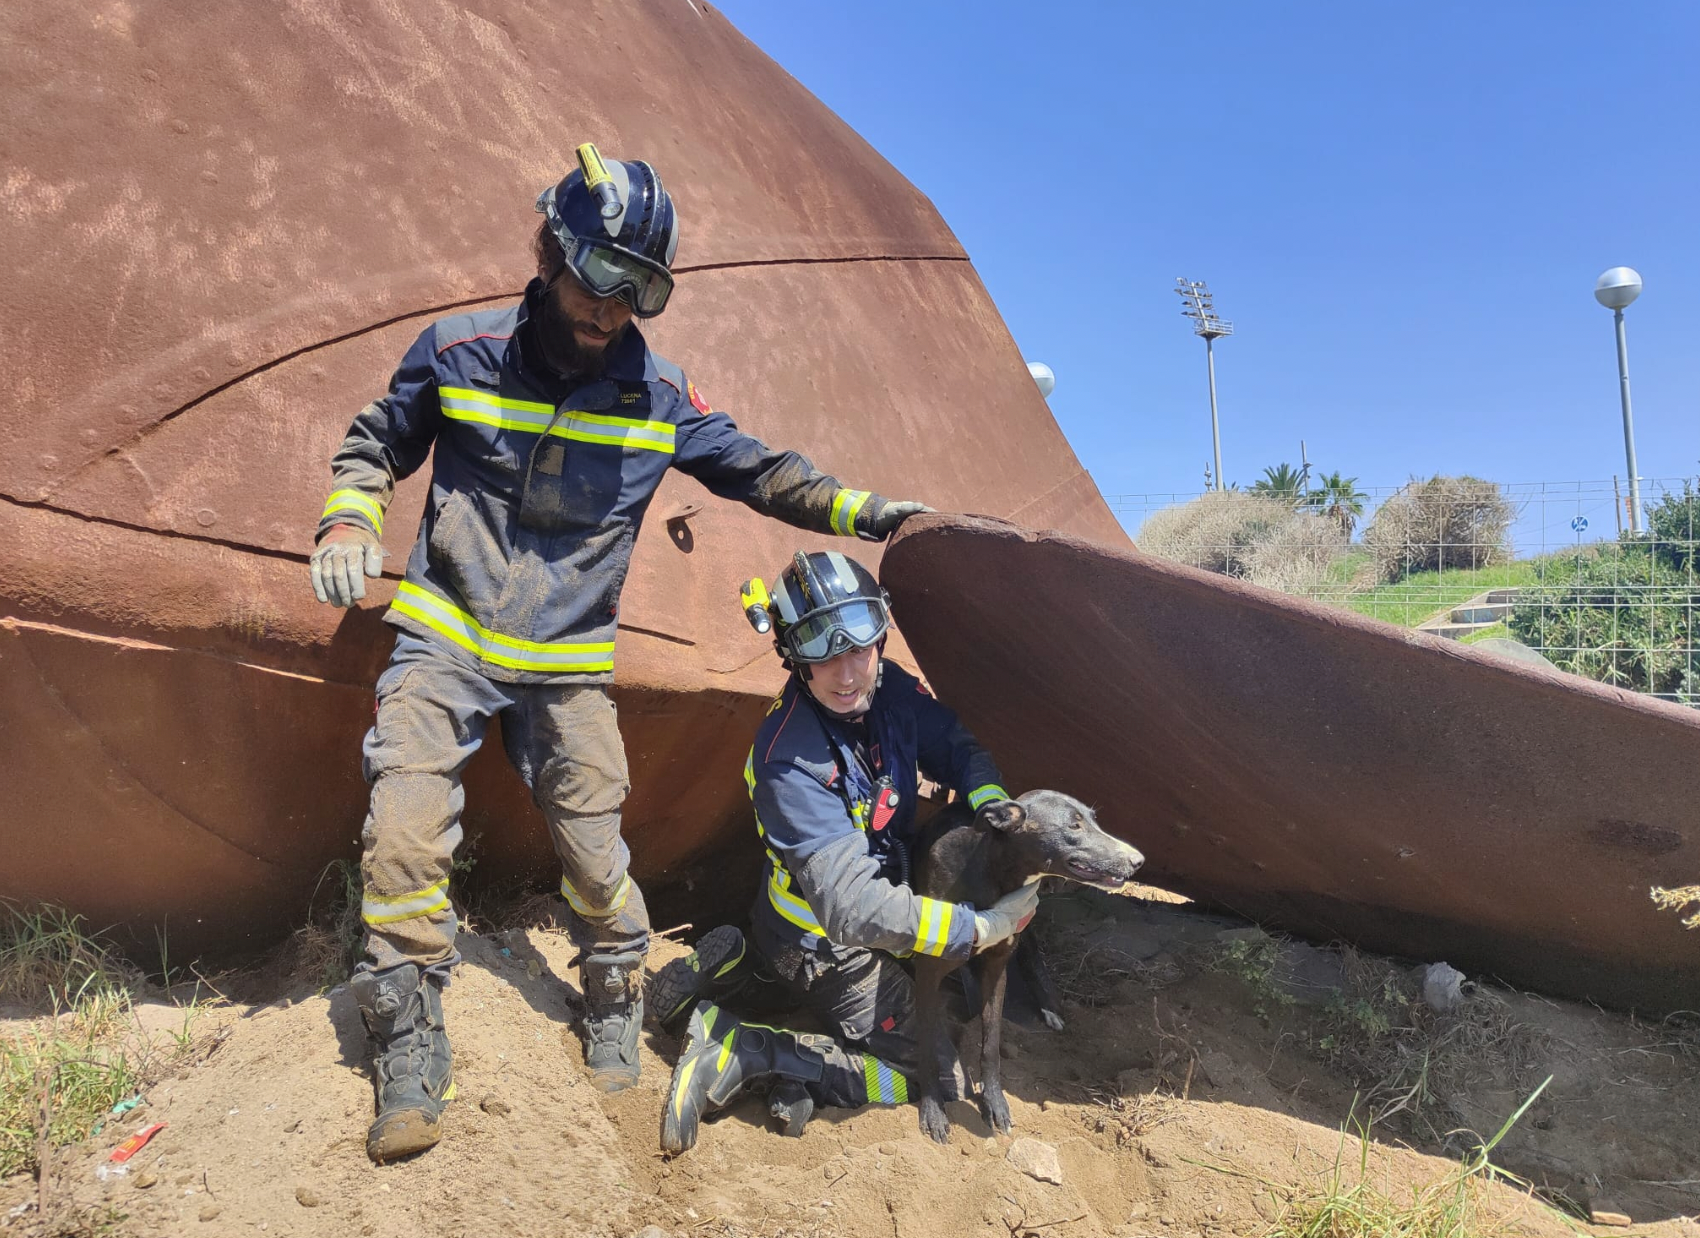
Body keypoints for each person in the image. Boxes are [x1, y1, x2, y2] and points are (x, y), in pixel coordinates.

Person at [307, 144, 929, 1163]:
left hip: (565, 655)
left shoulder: (656, 394)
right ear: (552, 250)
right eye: (602, 275)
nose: (613, 309)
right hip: (448, 632)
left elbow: (755, 467)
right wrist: (345, 520)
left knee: (597, 848)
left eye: (644, 289)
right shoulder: (458, 351)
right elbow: (376, 440)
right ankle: (409, 1041)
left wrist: (860, 510)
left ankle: (609, 991)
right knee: (403, 832)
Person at [652, 550, 1039, 1154]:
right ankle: (749, 1050)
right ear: (794, 660)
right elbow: (853, 909)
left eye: (860, 648)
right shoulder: (789, 761)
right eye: (824, 658)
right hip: (825, 946)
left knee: (938, 989)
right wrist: (980, 926)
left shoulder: (891, 692)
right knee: (942, 1076)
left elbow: (961, 749)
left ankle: (732, 972)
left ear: (880, 636)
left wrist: (994, 808)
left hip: (853, 916)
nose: (849, 674)